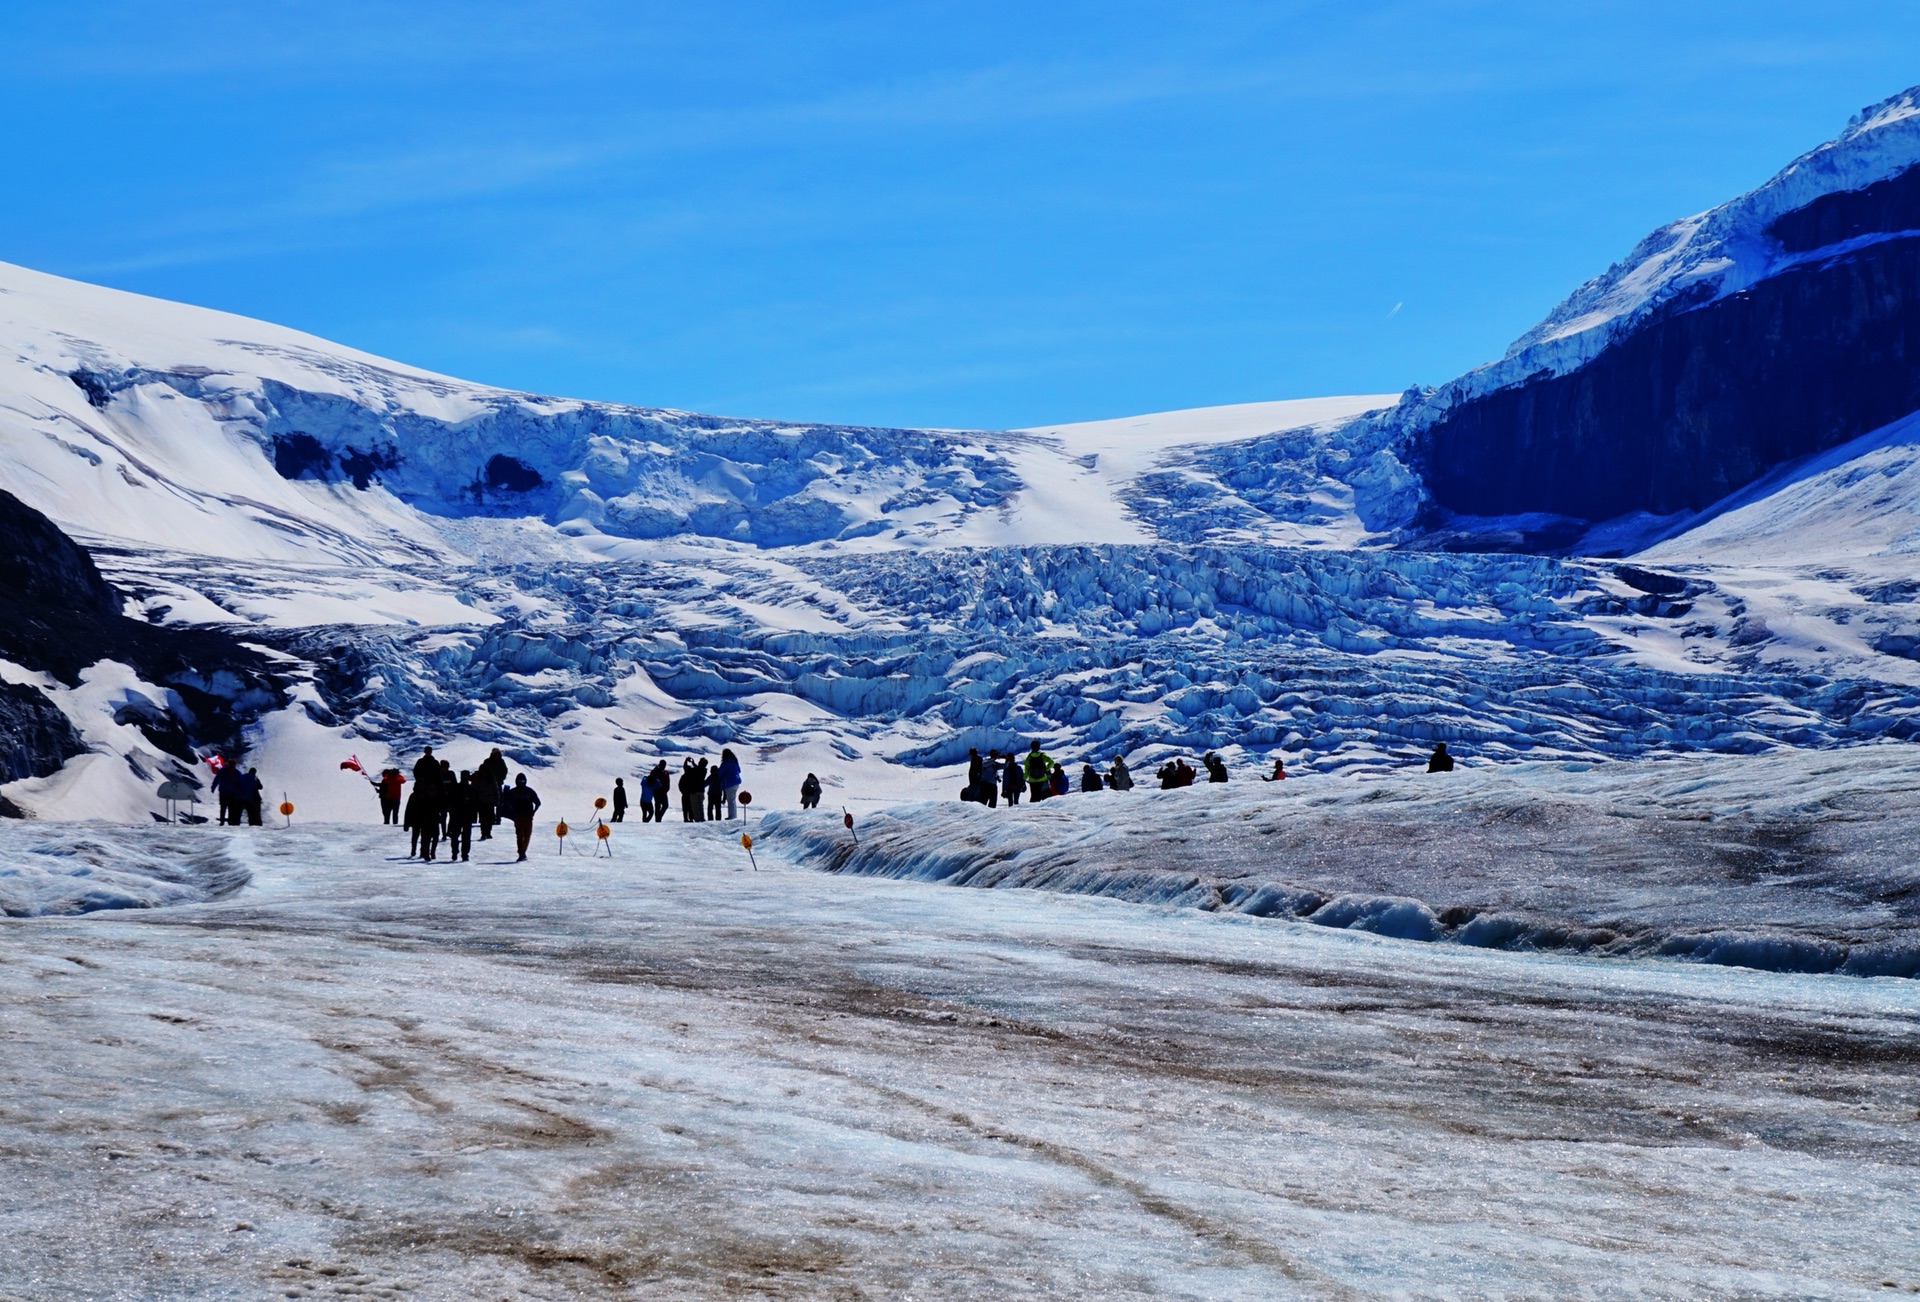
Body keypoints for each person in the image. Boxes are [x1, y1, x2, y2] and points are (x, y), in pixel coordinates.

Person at [499, 773, 542, 861]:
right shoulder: (513, 792)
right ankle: (521, 852)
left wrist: (533, 812)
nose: (521, 782)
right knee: (520, 835)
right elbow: (506, 803)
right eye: (519, 781)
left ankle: (523, 852)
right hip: (518, 816)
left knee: (527, 834)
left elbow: (538, 802)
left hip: (527, 816)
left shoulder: (529, 791)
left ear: (525, 781)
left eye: (522, 781)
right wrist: (512, 813)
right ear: (516, 781)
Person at [474, 747, 508, 840]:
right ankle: (485, 830)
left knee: (498, 803)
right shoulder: (488, 762)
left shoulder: (501, 762)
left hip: (496, 784)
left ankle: (497, 819)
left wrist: (500, 779)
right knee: (485, 813)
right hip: (485, 788)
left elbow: (504, 771)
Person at [445, 772, 475, 862]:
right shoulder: (457, 788)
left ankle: (463, 854)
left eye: (466, 776)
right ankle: (457, 852)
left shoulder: (470, 789)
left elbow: (474, 804)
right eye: (463, 776)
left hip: (464, 816)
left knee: (463, 836)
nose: (464, 778)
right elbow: (450, 801)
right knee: (456, 836)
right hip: (457, 815)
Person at [717, 748, 743, 819]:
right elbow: (739, 770)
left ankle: (732, 816)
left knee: (730, 800)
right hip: (736, 782)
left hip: (729, 783)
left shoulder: (725, 762)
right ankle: (733, 815)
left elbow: (720, 772)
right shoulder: (734, 761)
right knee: (733, 800)